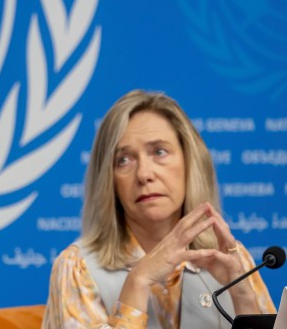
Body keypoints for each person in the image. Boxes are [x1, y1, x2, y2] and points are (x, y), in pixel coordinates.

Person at [42, 90, 275, 328]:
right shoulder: (77, 268)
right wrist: (138, 280)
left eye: (159, 152)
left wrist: (243, 297)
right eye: (123, 159)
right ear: (109, 180)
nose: (144, 174)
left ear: (189, 162)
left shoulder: (231, 257)